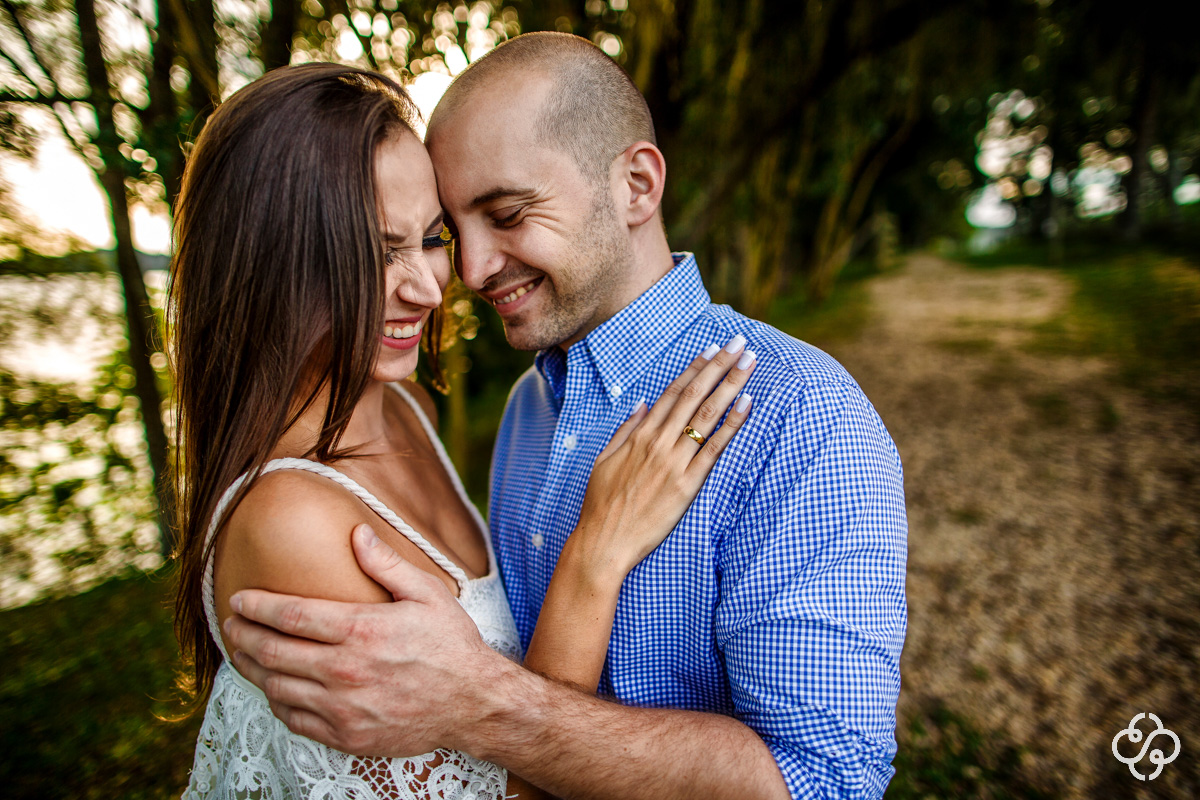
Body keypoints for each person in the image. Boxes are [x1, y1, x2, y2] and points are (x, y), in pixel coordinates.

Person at [224, 33, 908, 799]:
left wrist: (479, 704)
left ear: (638, 186)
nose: (472, 273)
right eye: (456, 229)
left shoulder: (799, 417)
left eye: (508, 214)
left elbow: (829, 783)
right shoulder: (528, 410)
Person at [170, 62, 756, 799]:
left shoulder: (401, 407)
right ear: (269, 261)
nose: (432, 285)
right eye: (376, 251)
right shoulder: (295, 523)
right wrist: (593, 558)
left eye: (429, 237)